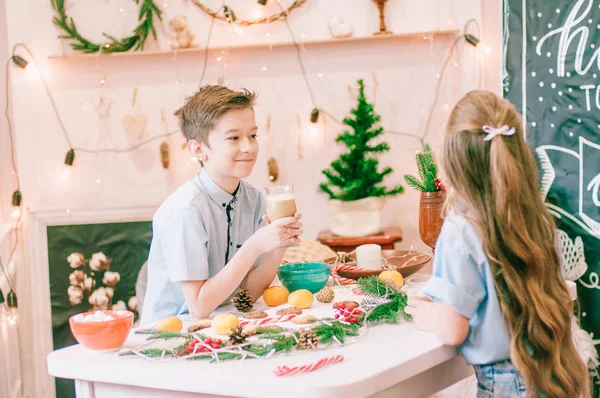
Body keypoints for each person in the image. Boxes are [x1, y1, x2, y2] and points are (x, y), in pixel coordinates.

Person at [405, 90, 590, 397]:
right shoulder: (538, 219)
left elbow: (453, 330)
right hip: (552, 374)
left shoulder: (460, 230)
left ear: (452, 164)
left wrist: (428, 315)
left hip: (504, 386)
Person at [141, 85, 302, 325]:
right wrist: (254, 246)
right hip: (170, 338)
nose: (249, 147)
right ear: (198, 149)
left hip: (223, 325)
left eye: (253, 135)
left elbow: (247, 293)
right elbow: (199, 307)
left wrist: (280, 244)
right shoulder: (186, 211)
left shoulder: (254, 199)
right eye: (234, 138)